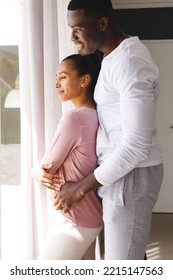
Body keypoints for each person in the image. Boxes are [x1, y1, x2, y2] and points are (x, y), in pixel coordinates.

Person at [38, 0, 164, 260]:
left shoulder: (130, 62)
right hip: (118, 175)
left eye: (78, 29)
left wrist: (81, 188)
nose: (73, 37)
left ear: (103, 23)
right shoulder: (112, 58)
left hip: (130, 175)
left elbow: (137, 144)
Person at [31, 53, 103, 260]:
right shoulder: (96, 116)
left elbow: (47, 168)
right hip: (91, 217)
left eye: (62, 77)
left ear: (84, 81)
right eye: (56, 77)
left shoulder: (74, 118)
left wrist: (34, 171)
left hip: (75, 220)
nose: (56, 84)